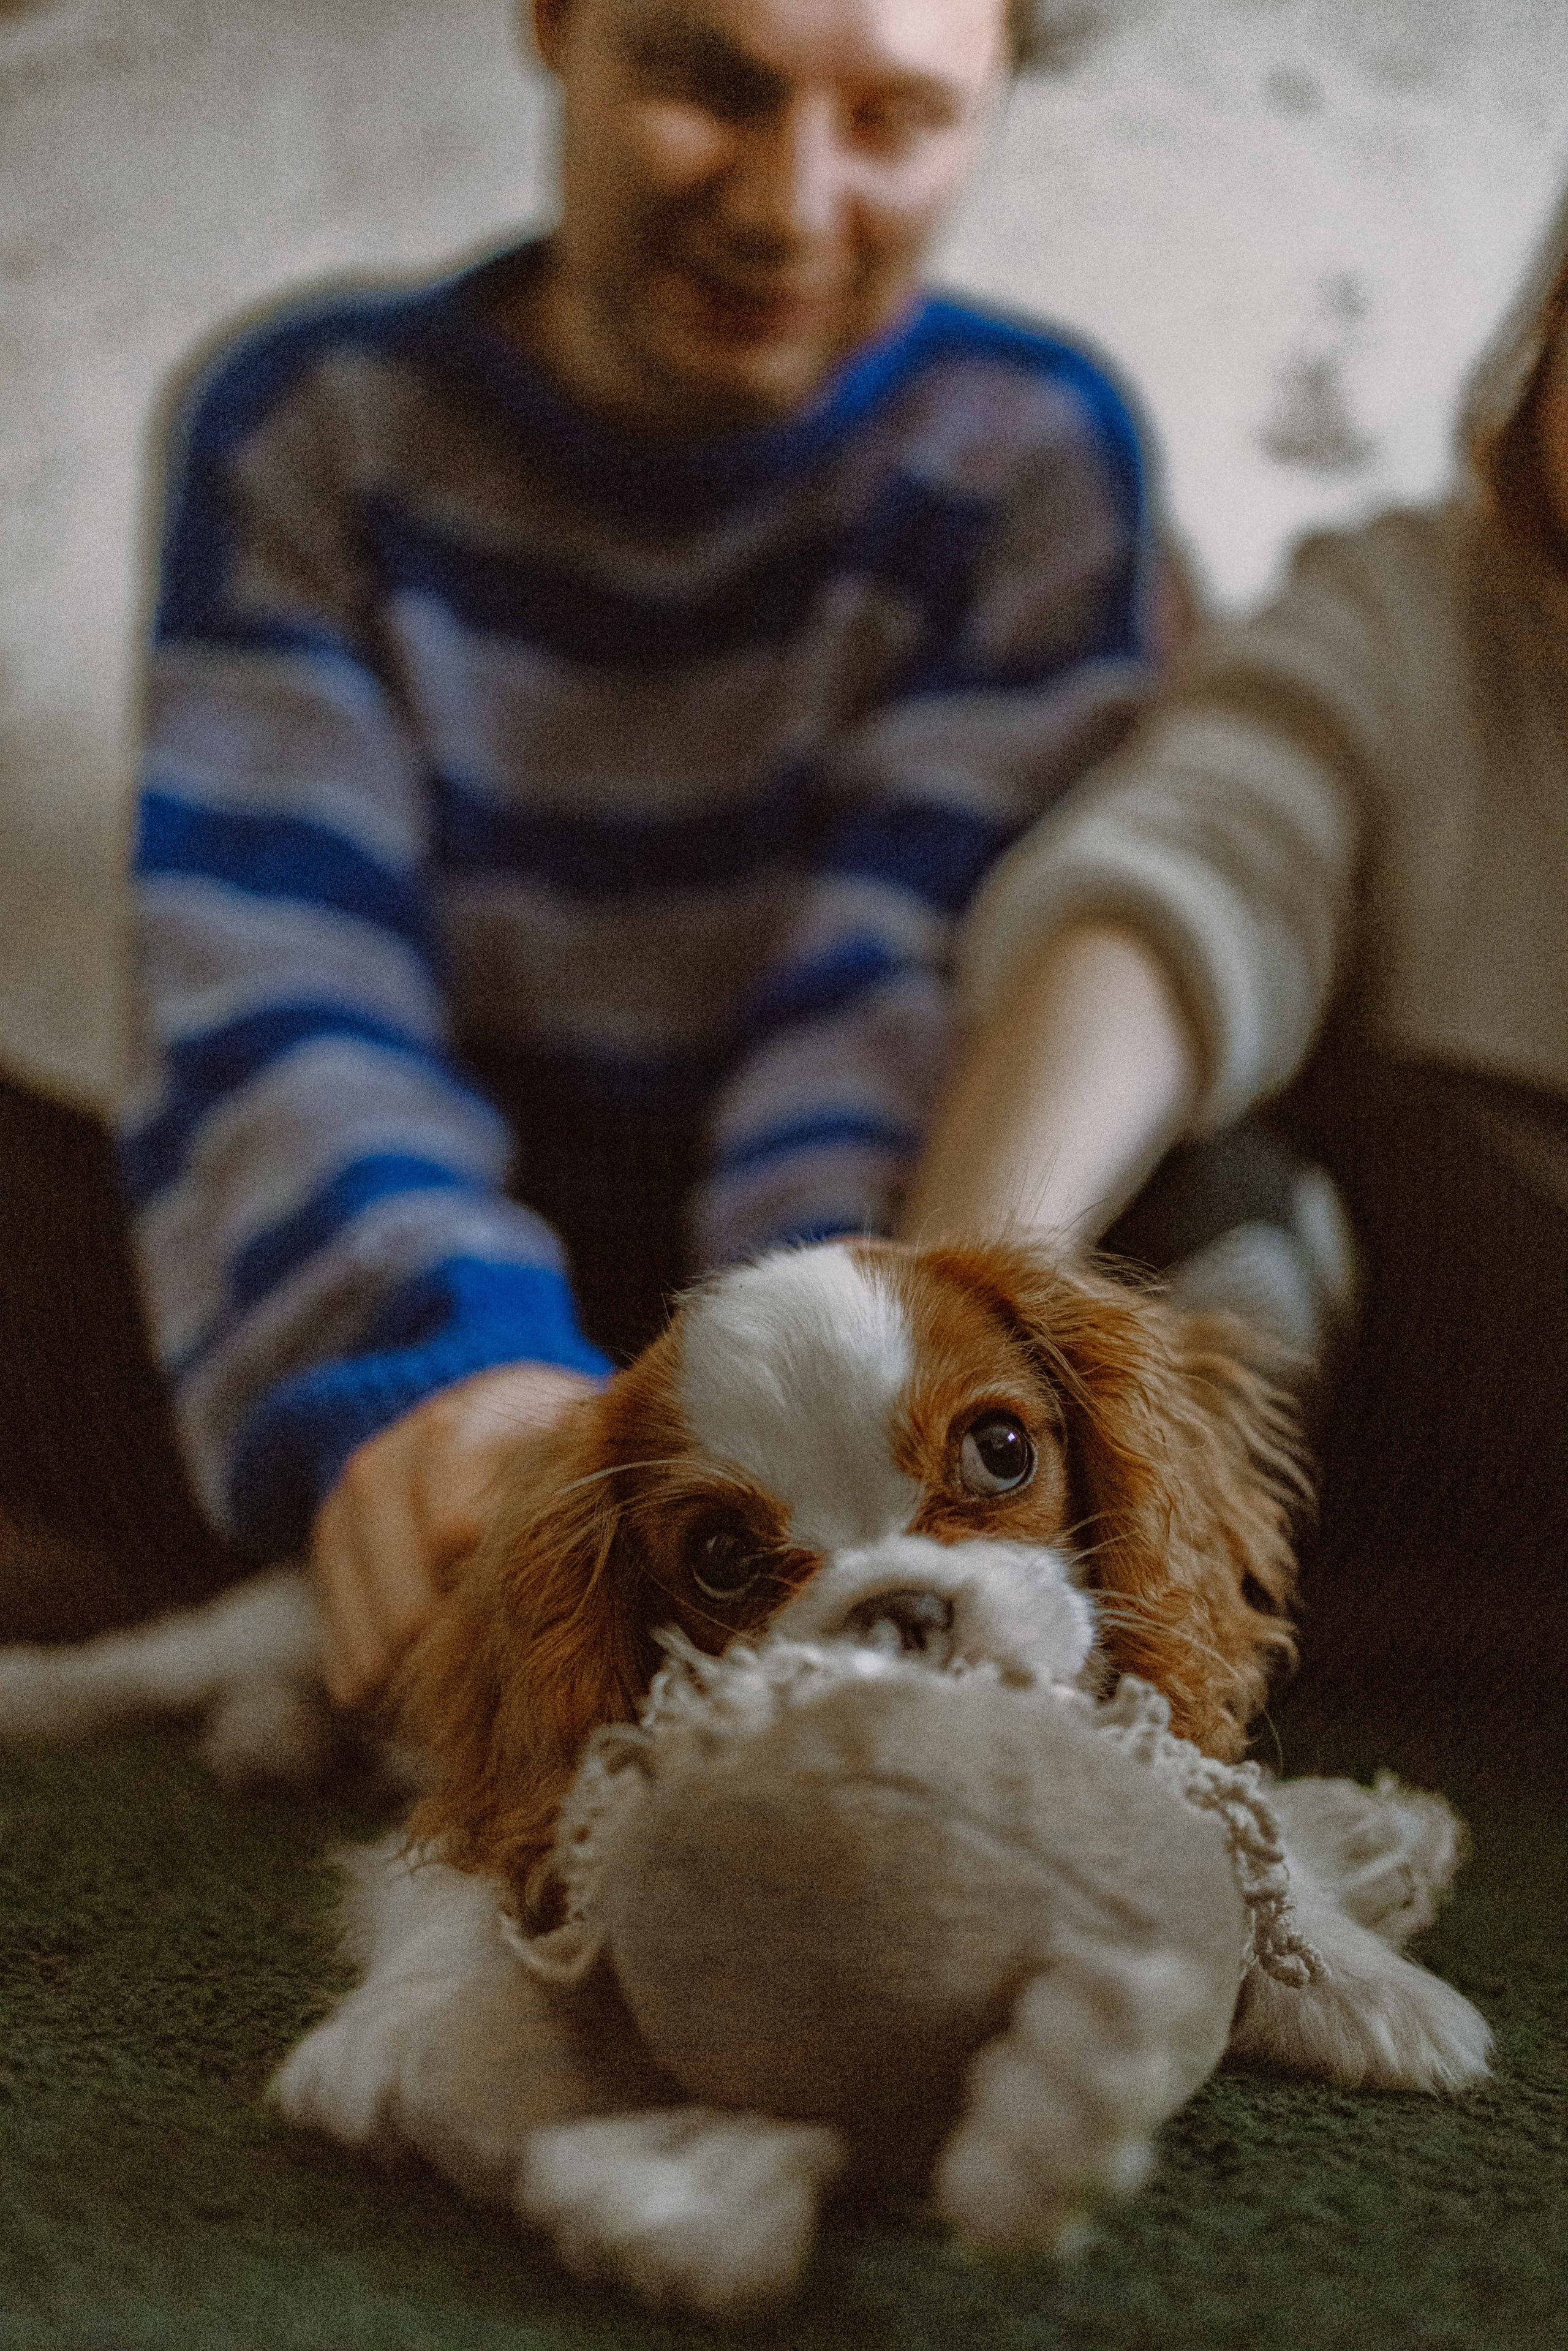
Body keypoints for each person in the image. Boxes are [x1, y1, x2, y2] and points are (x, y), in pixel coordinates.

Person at [117, 0, 1340, 1710]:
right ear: (555, 26)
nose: (787, 207)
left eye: (899, 120)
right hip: (456, 1211)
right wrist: (458, 1379)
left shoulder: (1034, 453)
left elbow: (894, 992)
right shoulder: (308, 420)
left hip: (858, 1241)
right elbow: (280, 969)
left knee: (1234, 1229)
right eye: (708, 84)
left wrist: (803, 1411)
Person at [907, 179, 1568, 1713]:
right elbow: (1188, 869)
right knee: (1207, 1191)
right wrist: (955, 1320)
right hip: (1396, 1433)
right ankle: (1159, 1645)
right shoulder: (1408, 609)